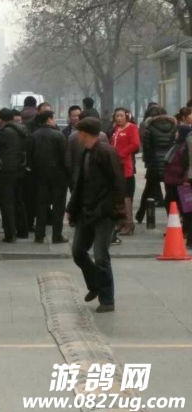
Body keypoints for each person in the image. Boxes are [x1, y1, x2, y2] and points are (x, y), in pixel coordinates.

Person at [67, 118, 126, 313]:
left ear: (85, 133)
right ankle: (95, 283)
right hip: (85, 211)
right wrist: (72, 208)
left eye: (79, 132)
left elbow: (118, 183)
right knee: (78, 252)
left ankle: (107, 299)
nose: (77, 136)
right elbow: (80, 184)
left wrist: (114, 209)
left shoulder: (106, 152)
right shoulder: (86, 152)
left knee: (101, 256)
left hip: (104, 213)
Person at [30, 111, 69, 244]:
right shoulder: (59, 135)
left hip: (39, 175)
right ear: (49, 119)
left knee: (41, 205)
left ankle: (39, 235)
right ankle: (57, 235)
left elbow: (29, 156)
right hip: (58, 175)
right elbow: (65, 156)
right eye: (53, 118)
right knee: (58, 206)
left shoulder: (34, 135)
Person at [0, 108, 29, 242]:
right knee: (19, 200)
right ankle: (23, 231)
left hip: (6, 170)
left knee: (6, 202)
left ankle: (10, 233)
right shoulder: (22, 129)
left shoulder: (4, 132)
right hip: (20, 168)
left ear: (0, 119)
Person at [136, 105, 176, 222]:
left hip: (154, 163)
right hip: (169, 162)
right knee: (170, 191)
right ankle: (172, 217)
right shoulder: (173, 127)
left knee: (148, 190)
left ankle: (140, 215)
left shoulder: (149, 128)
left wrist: (148, 161)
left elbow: (147, 148)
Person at [110, 107, 140, 236]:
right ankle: (120, 221)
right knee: (118, 196)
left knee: (126, 195)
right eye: (117, 116)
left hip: (125, 165)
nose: (119, 118)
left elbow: (135, 144)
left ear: (127, 116)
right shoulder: (116, 129)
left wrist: (120, 154)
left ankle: (129, 223)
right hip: (115, 165)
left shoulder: (132, 128)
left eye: (121, 116)